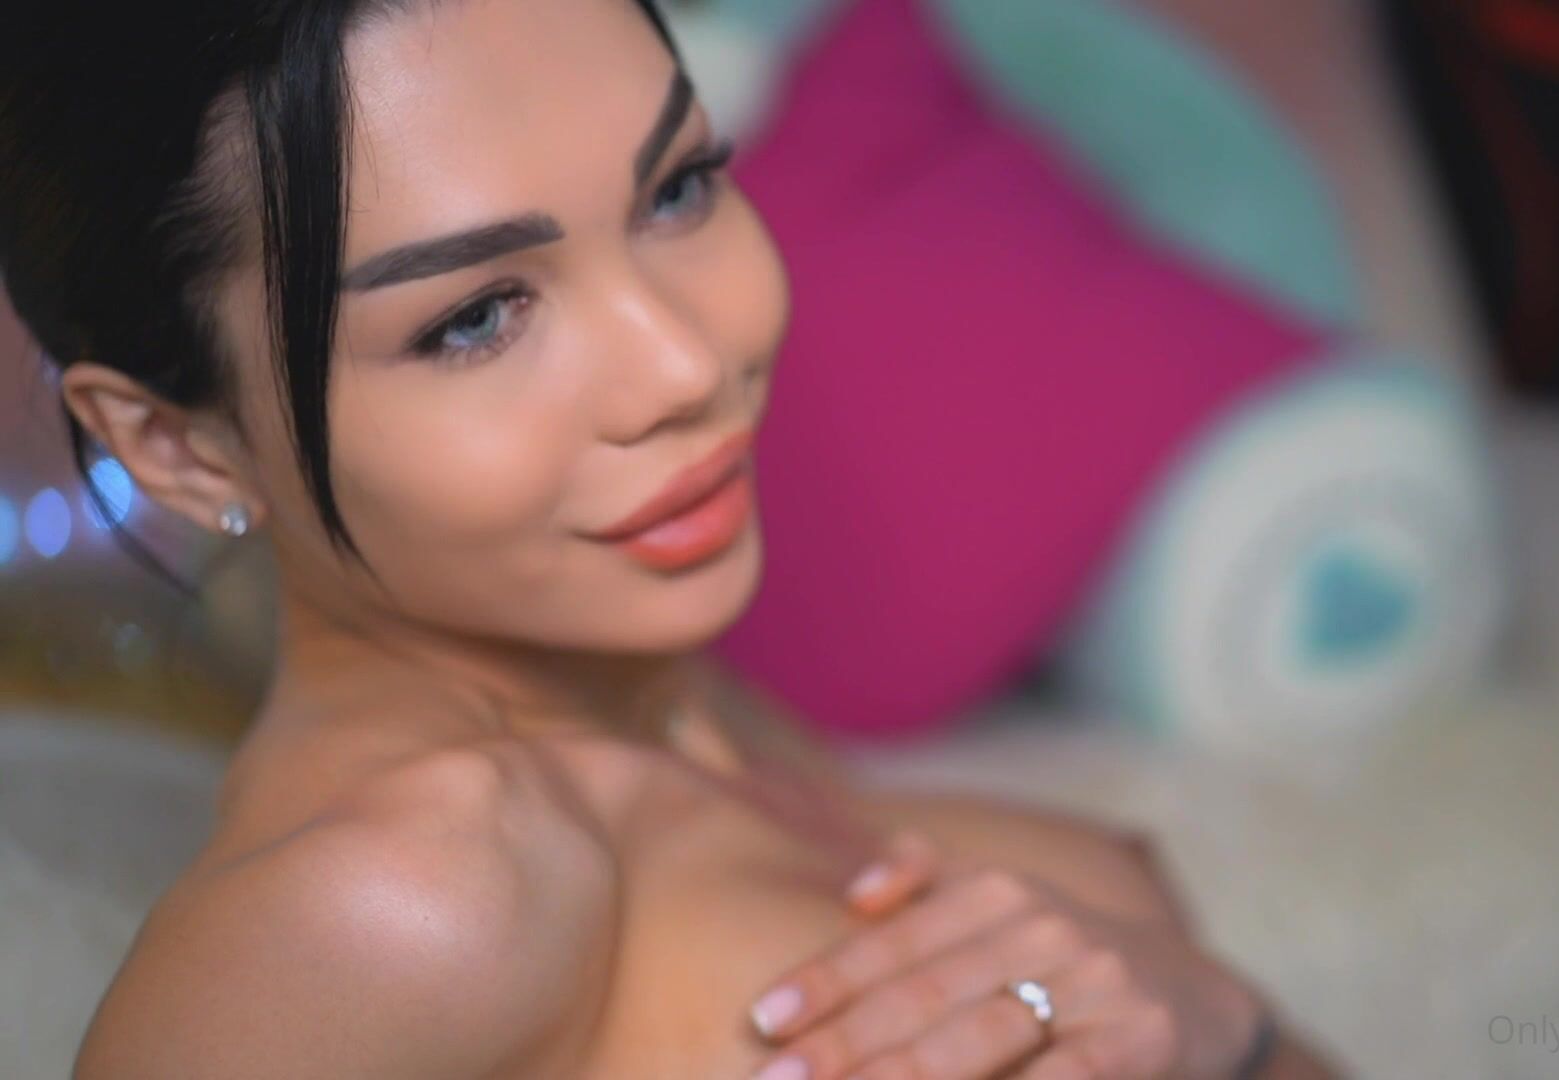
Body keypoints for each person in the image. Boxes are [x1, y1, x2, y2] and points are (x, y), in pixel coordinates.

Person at [1, 1, 1338, 1075]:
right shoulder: (399, 903)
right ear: (176, 448)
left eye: (679, 189)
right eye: (475, 319)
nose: (685, 363)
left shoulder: (672, 703)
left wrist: (1216, 1021)